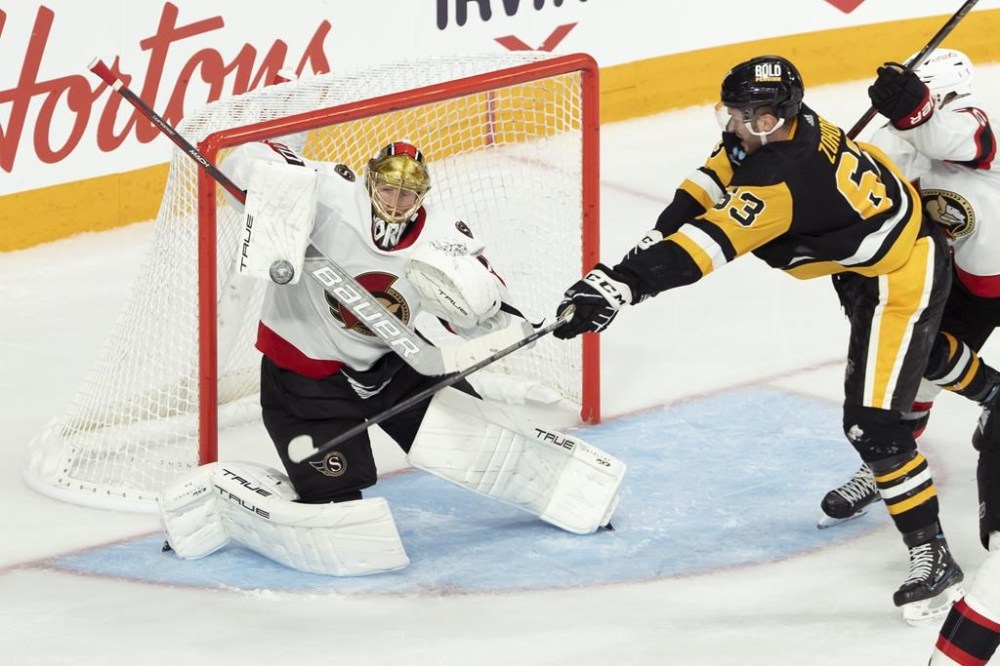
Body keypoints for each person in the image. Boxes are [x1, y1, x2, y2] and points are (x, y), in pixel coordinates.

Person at [552, 53, 963, 623]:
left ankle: (932, 555)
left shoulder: (780, 177)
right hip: (862, 262)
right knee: (914, 363)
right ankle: (990, 394)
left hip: (901, 277)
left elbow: (705, 248)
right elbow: (711, 178)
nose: (739, 125)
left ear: (780, 116)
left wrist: (624, 287)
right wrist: (640, 251)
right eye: (736, 112)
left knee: (874, 423)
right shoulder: (771, 132)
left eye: (753, 116)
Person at [155, 139, 626, 577]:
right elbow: (245, 162)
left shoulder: (445, 238)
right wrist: (264, 178)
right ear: (369, 179)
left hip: (398, 364)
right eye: (387, 188)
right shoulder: (327, 195)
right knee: (343, 518)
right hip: (305, 374)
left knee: (482, 441)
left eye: (407, 194)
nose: (396, 201)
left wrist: (485, 308)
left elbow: (488, 313)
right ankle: (232, 506)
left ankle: (570, 490)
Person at [805, 49, 1000, 658]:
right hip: (965, 282)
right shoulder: (906, 136)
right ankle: (905, 454)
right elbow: (871, 172)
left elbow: (949, 135)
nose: (913, 116)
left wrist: (918, 110)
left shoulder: (972, 122)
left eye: (921, 103)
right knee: (914, 377)